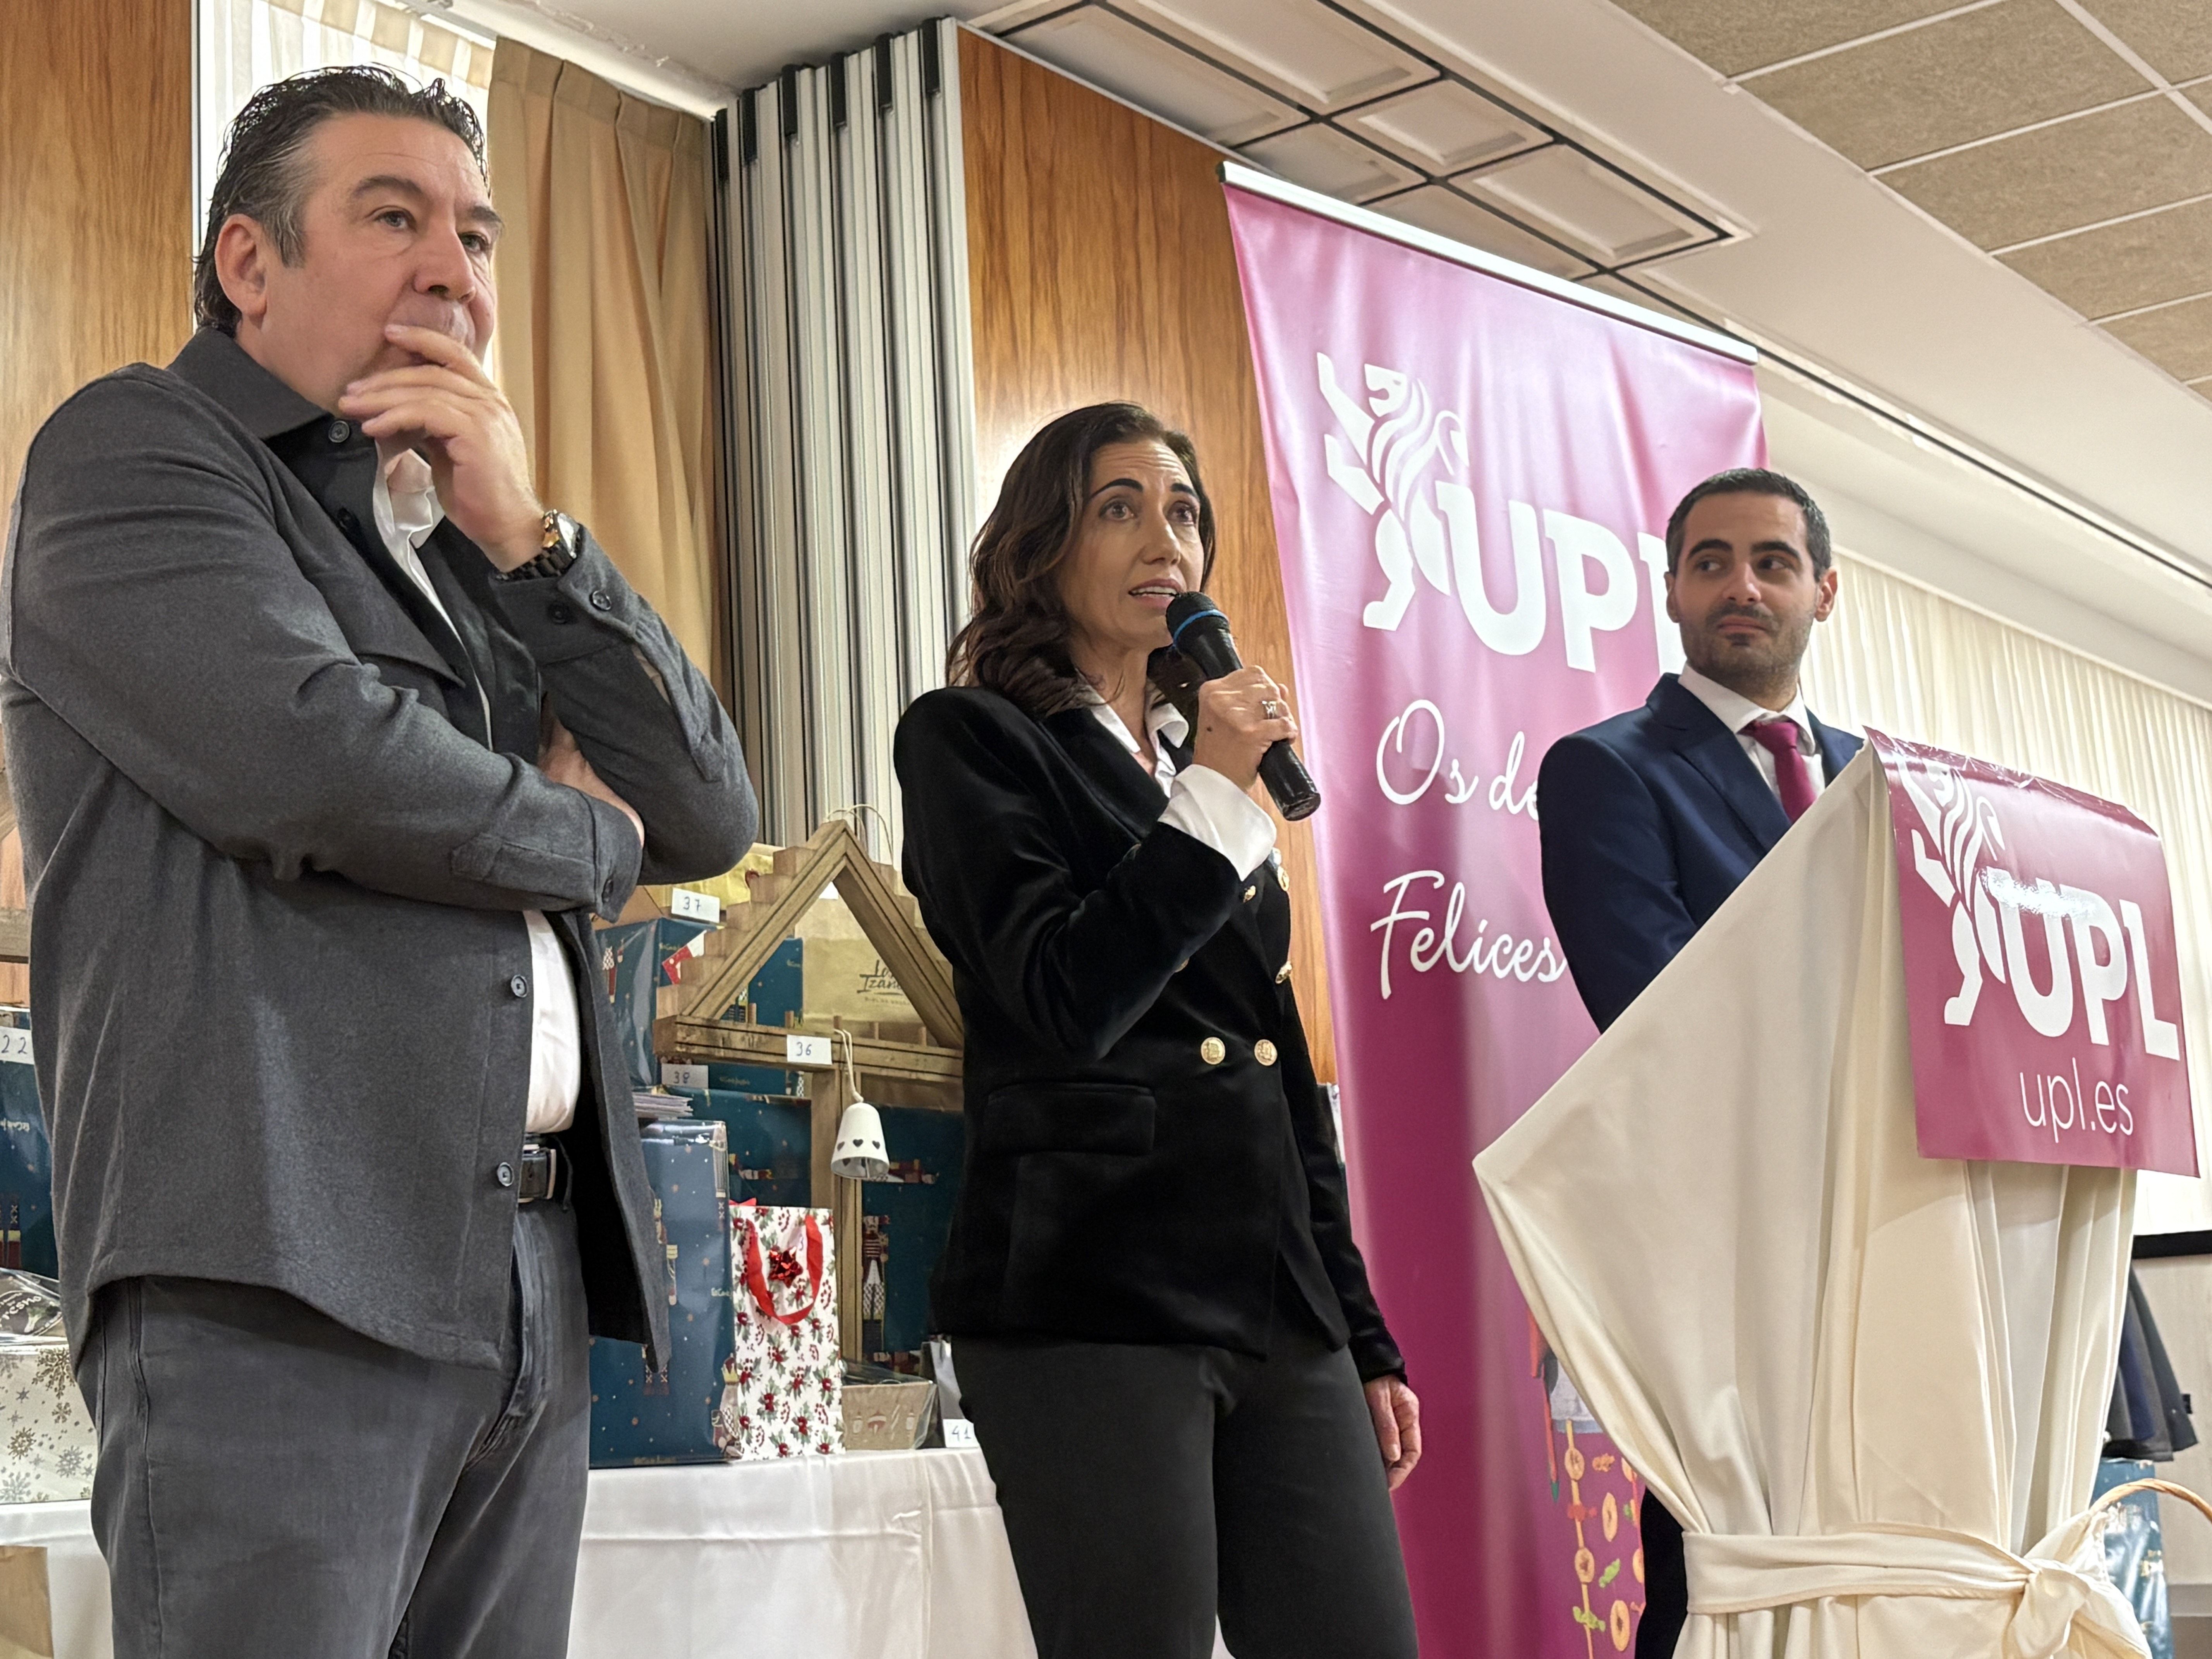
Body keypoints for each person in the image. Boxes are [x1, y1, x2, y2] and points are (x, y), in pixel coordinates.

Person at [0, 67, 753, 1657]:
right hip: (281, 1269)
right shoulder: (142, 451)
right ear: (248, 263)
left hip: (524, 1275)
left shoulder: (457, 540)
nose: (454, 273)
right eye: (394, 217)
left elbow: (709, 809)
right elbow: (323, 765)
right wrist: (586, 842)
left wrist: (533, 535)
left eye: (476, 235)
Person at [895, 404, 1421, 1659]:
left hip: (1275, 1300)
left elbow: (1281, 1071)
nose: (1163, 538)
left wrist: (1358, 1325)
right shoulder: (974, 739)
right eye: (1118, 505)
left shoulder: (1210, 767)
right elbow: (1066, 991)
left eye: (1182, 509)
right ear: (1041, 547)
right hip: (1093, 1291)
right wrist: (1209, 802)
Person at [1535, 466, 1861, 1657]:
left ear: (1824, 590)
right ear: (1670, 589)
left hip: (1887, 1234)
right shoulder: (1609, 770)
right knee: (1723, 1579)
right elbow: (1663, 1013)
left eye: (1773, 561)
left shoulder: (1887, 778)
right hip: (1729, 1249)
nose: (1742, 584)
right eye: (1711, 560)